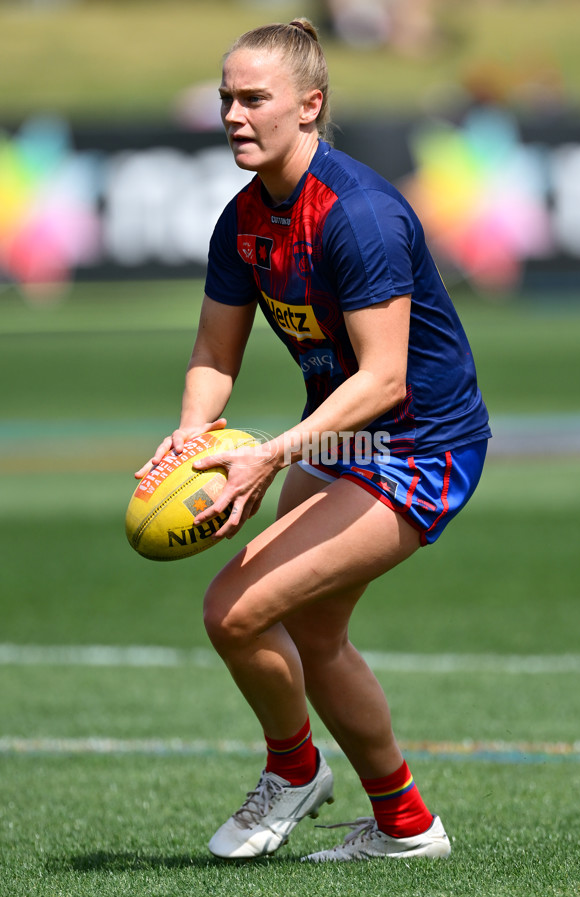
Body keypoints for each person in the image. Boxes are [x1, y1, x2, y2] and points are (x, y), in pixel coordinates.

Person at [135, 17, 491, 862]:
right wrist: (190, 434)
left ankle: (293, 771)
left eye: (254, 98)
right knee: (314, 630)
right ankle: (406, 826)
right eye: (226, 98)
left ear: (310, 106)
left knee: (235, 610)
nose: (233, 115)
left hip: (417, 444)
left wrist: (267, 453)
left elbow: (385, 379)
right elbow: (213, 355)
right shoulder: (244, 220)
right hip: (348, 437)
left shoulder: (356, 214)